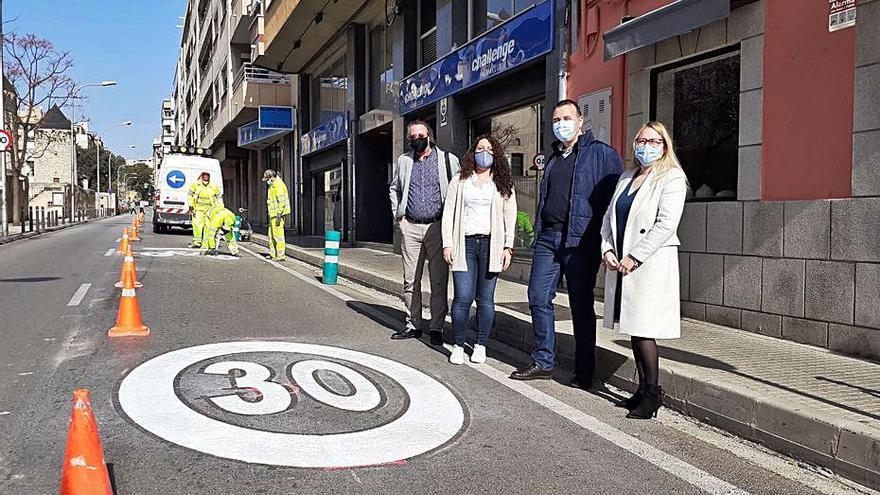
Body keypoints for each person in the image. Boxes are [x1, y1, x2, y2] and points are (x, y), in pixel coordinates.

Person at [510, 99, 623, 385]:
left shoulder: (602, 155)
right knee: (537, 297)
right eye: (556, 119)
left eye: (567, 118)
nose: (562, 124)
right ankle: (543, 360)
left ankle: (585, 371)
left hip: (580, 241)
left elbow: (613, 203)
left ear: (580, 121)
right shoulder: (553, 158)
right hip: (548, 238)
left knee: (580, 306)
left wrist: (604, 242)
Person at [601, 121, 687, 419]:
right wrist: (608, 250)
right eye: (641, 140)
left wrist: (634, 257)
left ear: (664, 146)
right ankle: (640, 390)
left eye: (653, 141)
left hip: (648, 265)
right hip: (622, 263)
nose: (646, 146)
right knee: (634, 329)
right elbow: (608, 219)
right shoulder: (627, 177)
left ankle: (652, 392)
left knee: (644, 331)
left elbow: (666, 224)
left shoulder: (671, 177)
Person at [441, 134, 517, 365]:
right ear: (472, 153)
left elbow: (509, 214)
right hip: (464, 243)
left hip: (490, 245)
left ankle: (481, 344)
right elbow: (448, 213)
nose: (484, 153)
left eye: (489, 149)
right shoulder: (460, 180)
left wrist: (508, 246)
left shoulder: (503, 182)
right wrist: (447, 243)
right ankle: (458, 344)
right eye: (480, 148)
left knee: (485, 299)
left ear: (496, 155)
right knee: (462, 297)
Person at [388, 119, 460, 345]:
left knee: (439, 281)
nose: (416, 140)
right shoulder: (404, 160)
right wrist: (397, 215)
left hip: (438, 227)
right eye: (412, 137)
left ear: (429, 135)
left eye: (420, 136)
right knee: (410, 281)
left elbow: (459, 190)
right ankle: (413, 324)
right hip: (410, 226)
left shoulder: (448, 160)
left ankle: (437, 326)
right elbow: (394, 188)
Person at [263, 169, 291, 261]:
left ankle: (280, 255)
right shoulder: (273, 185)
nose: (267, 181)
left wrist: (279, 213)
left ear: (271, 177)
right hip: (273, 214)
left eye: (267, 179)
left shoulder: (278, 186)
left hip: (277, 215)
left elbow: (281, 201)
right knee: (271, 235)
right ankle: (273, 253)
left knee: (278, 235)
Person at [188, 171, 221, 248]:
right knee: (197, 225)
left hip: (210, 209)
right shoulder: (196, 184)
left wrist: (220, 207)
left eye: (207, 176)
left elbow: (219, 197)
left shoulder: (213, 186)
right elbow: (190, 195)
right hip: (198, 209)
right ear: (201, 176)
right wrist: (190, 205)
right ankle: (197, 242)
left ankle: (206, 243)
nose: (206, 177)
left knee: (208, 226)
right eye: (204, 176)